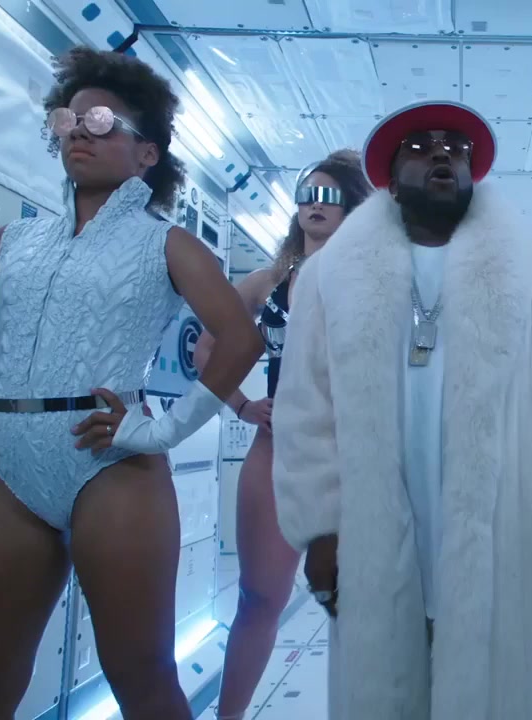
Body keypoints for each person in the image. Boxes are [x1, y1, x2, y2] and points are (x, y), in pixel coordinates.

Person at [0, 46, 262, 720]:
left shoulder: (167, 243)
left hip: (113, 464)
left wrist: (163, 430)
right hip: (7, 465)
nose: (78, 133)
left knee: (142, 679)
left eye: (101, 123)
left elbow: (242, 340)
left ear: (147, 153)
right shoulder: (12, 243)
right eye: (68, 121)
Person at [270, 100, 532, 720]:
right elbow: (306, 409)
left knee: (498, 690)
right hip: (374, 526)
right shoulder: (332, 275)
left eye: (455, 147)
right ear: (389, 175)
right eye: (419, 145)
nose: (441, 153)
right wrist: (318, 527)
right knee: (384, 687)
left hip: (503, 526)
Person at [193, 148, 373, 720]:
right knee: (259, 598)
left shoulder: (377, 282)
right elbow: (206, 348)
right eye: (307, 195)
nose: (315, 205)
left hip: (356, 459)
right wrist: (243, 405)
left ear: (353, 207)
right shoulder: (269, 281)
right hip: (276, 452)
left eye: (329, 195)